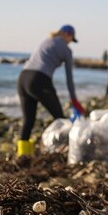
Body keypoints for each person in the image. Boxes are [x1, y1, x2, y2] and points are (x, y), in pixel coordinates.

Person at [16, 25, 85, 156]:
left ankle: (23, 156)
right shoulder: (66, 50)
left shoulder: (46, 41)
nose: (70, 41)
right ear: (66, 34)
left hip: (22, 78)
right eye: (71, 38)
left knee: (28, 120)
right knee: (60, 119)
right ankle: (67, 152)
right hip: (39, 80)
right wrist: (75, 101)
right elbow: (69, 79)